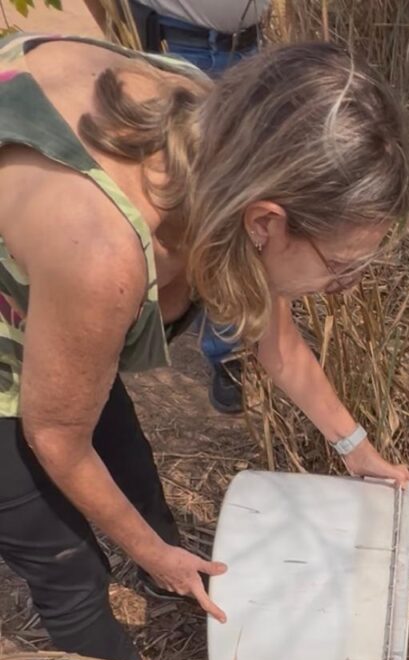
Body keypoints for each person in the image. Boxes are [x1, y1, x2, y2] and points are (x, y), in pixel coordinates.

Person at [0, 32, 409, 660]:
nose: (344, 289)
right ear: (268, 222)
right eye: (342, 267)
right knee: (62, 557)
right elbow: (57, 434)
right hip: (24, 330)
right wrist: (150, 552)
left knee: (119, 443)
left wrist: (360, 453)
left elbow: (273, 338)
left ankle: (160, 567)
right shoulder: (102, 255)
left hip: (53, 292)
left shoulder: (222, 134)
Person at [83, 0, 273, 414]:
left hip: (251, 50)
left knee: (234, 206)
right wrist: (119, 41)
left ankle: (233, 337)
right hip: (176, 47)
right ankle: (225, 351)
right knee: (199, 213)